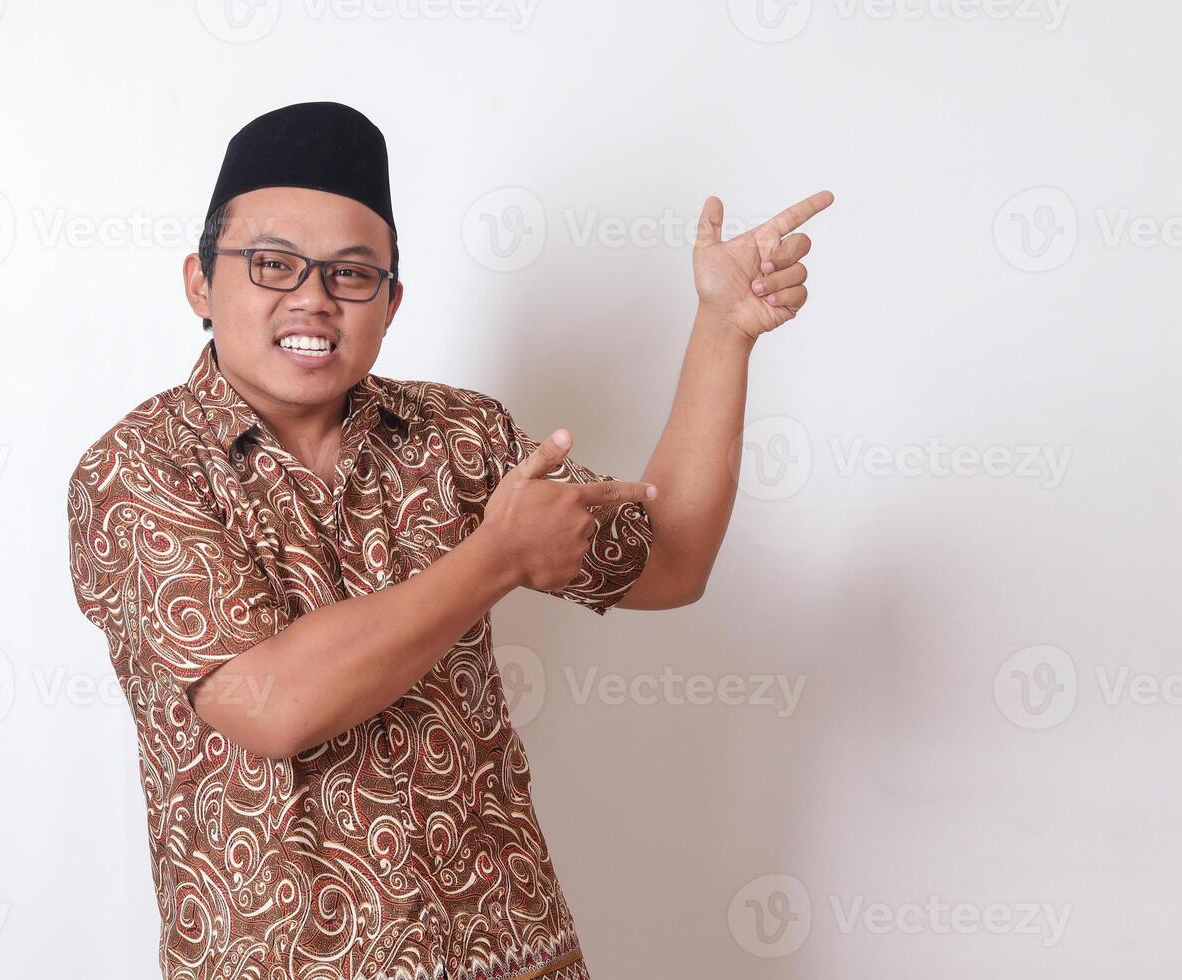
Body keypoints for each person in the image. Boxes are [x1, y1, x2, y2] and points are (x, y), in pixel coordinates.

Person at [65, 100, 831, 980]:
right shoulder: (136, 471)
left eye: (352, 275)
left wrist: (723, 331)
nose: (312, 296)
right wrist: (495, 558)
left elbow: (670, 560)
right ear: (202, 282)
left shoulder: (460, 437)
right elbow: (272, 706)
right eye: (272, 264)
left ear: (391, 302)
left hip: (513, 955)